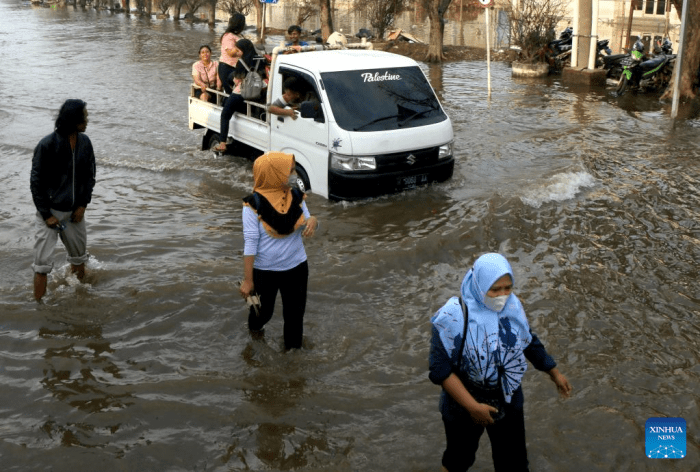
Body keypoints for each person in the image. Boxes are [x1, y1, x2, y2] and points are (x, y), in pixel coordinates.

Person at [429, 253, 572, 472]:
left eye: (508, 288)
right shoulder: (452, 318)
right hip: (463, 401)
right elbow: (440, 371)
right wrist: (472, 407)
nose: (502, 296)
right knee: (457, 460)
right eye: (495, 290)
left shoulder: (512, 307)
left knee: (513, 462)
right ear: (478, 284)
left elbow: (527, 340)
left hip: (507, 397)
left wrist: (554, 372)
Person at [239, 152, 318, 350]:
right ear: (273, 173)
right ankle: (254, 339)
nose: (293, 174)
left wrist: (314, 222)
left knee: (295, 317)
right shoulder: (252, 205)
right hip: (265, 271)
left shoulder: (296, 196)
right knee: (263, 314)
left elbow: (307, 220)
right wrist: (248, 281)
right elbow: (250, 243)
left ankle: (293, 366)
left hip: (297, 267)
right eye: (289, 170)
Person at [30, 99, 96, 302]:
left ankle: (79, 300)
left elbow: (89, 176)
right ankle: (38, 307)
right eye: (84, 116)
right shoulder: (47, 144)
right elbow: (36, 182)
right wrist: (47, 215)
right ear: (73, 119)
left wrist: (83, 205)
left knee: (79, 260)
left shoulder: (85, 142)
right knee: (42, 267)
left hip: (75, 213)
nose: (87, 120)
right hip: (49, 214)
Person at [213, 38, 267, 153]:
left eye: (238, 50)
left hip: (243, 92)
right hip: (258, 90)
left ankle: (222, 142)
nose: (238, 52)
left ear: (243, 49)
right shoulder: (260, 59)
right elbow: (263, 75)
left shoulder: (241, 62)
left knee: (225, 114)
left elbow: (237, 81)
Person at [218, 13, 246, 94]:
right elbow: (231, 53)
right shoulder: (228, 36)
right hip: (227, 68)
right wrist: (244, 52)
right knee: (232, 92)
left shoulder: (240, 36)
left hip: (237, 68)